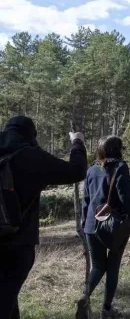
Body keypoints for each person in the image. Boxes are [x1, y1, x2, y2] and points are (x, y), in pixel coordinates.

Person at [0, 116, 88, 319]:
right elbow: (76, 170)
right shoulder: (31, 156)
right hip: (17, 246)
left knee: (7, 300)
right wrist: (77, 142)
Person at [76, 136, 130, 319]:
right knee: (112, 267)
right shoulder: (120, 168)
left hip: (90, 224)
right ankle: (106, 309)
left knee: (97, 266)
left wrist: (83, 222)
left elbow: (86, 200)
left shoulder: (92, 169)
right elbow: (126, 199)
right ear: (117, 149)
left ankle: (84, 295)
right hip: (113, 225)